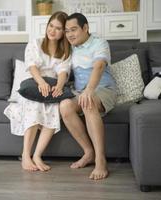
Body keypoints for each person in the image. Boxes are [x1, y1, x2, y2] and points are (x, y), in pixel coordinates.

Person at [4, 11, 71, 172]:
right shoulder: (35, 43)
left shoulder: (65, 51)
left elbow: (63, 71)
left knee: (53, 108)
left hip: (52, 87)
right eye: (51, 26)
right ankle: (26, 155)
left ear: (64, 32)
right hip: (33, 84)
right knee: (34, 105)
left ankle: (37, 155)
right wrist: (40, 82)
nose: (52, 30)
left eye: (58, 28)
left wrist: (60, 86)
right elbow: (32, 66)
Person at [60, 13, 117, 180]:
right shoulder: (70, 48)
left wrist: (89, 90)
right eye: (67, 31)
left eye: (74, 29)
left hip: (103, 88)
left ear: (85, 28)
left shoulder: (99, 43)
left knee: (88, 102)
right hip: (80, 92)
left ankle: (101, 160)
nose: (70, 34)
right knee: (65, 106)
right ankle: (89, 152)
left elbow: (99, 66)